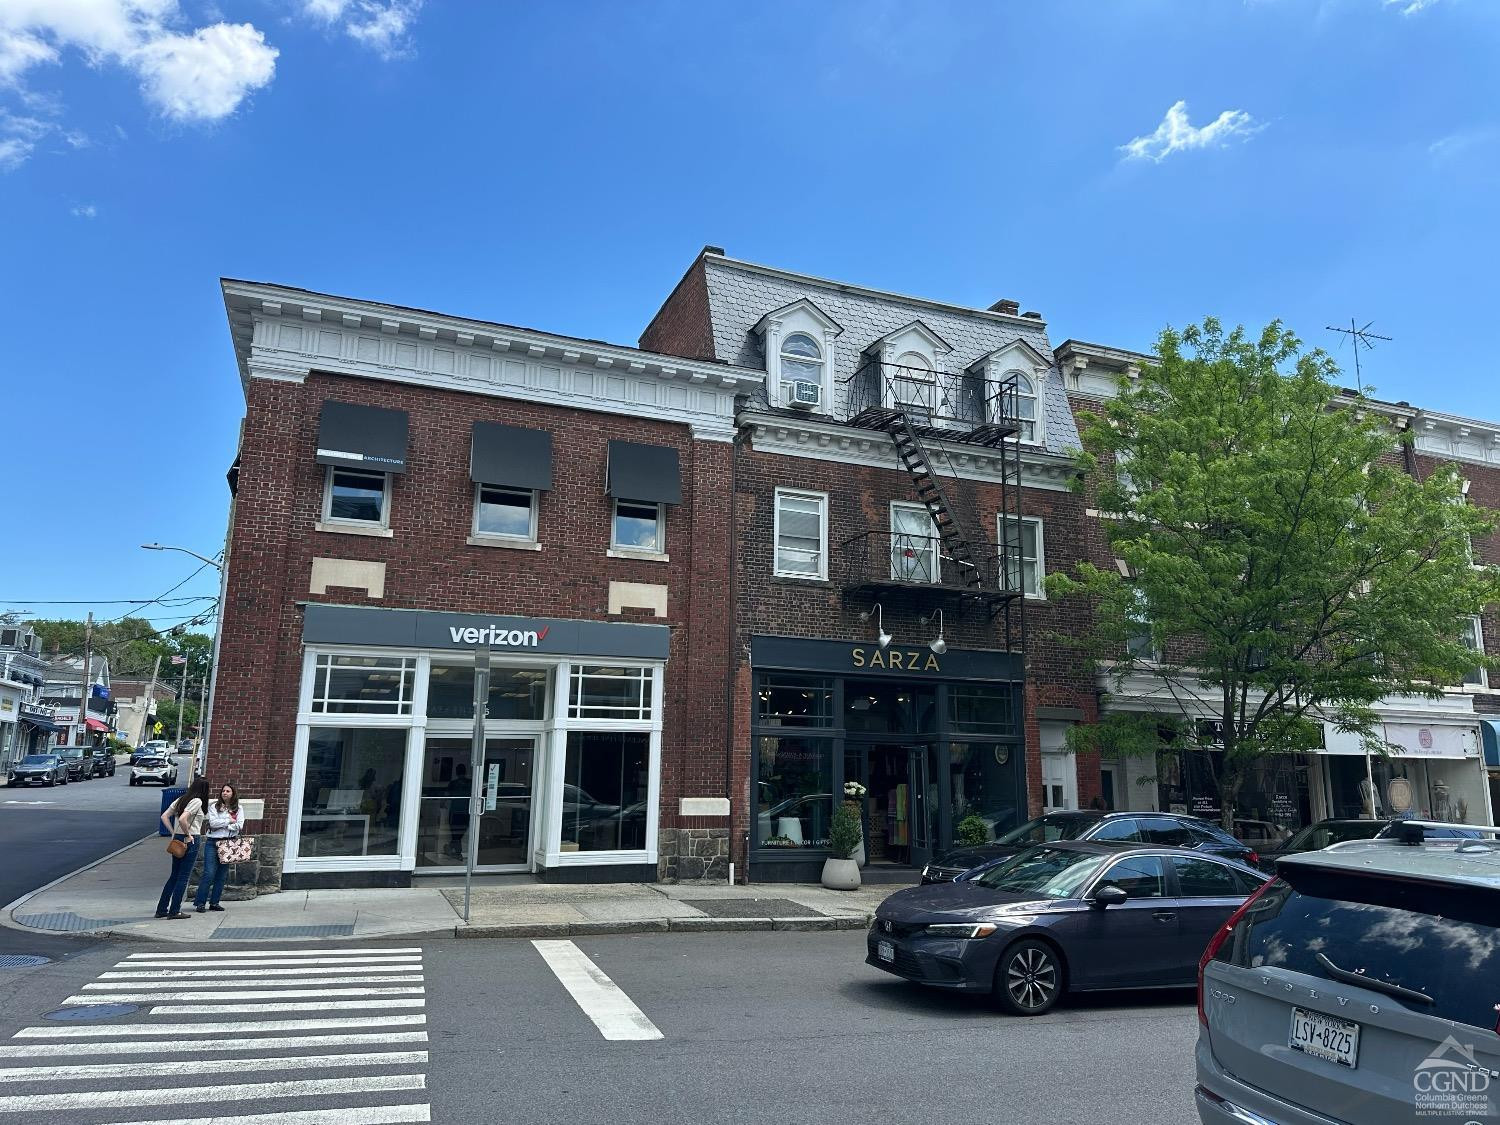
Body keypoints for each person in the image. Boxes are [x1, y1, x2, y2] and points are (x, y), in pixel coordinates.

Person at [157, 778, 209, 920]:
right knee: (183, 877)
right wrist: (188, 834)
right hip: (190, 839)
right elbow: (183, 819)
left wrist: (173, 833)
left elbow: (164, 816)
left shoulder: (181, 799)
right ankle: (175, 910)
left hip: (177, 839)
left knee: (174, 875)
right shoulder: (197, 801)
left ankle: (162, 909)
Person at [194, 783, 243, 914]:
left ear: (233, 793)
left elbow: (239, 826)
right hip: (212, 842)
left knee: (222, 875)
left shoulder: (238, 809)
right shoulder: (214, 807)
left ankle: (214, 902)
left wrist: (228, 825)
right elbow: (212, 824)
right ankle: (200, 902)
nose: (225, 793)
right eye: (223, 791)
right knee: (209, 873)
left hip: (228, 843)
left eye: (228, 791)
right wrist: (229, 822)